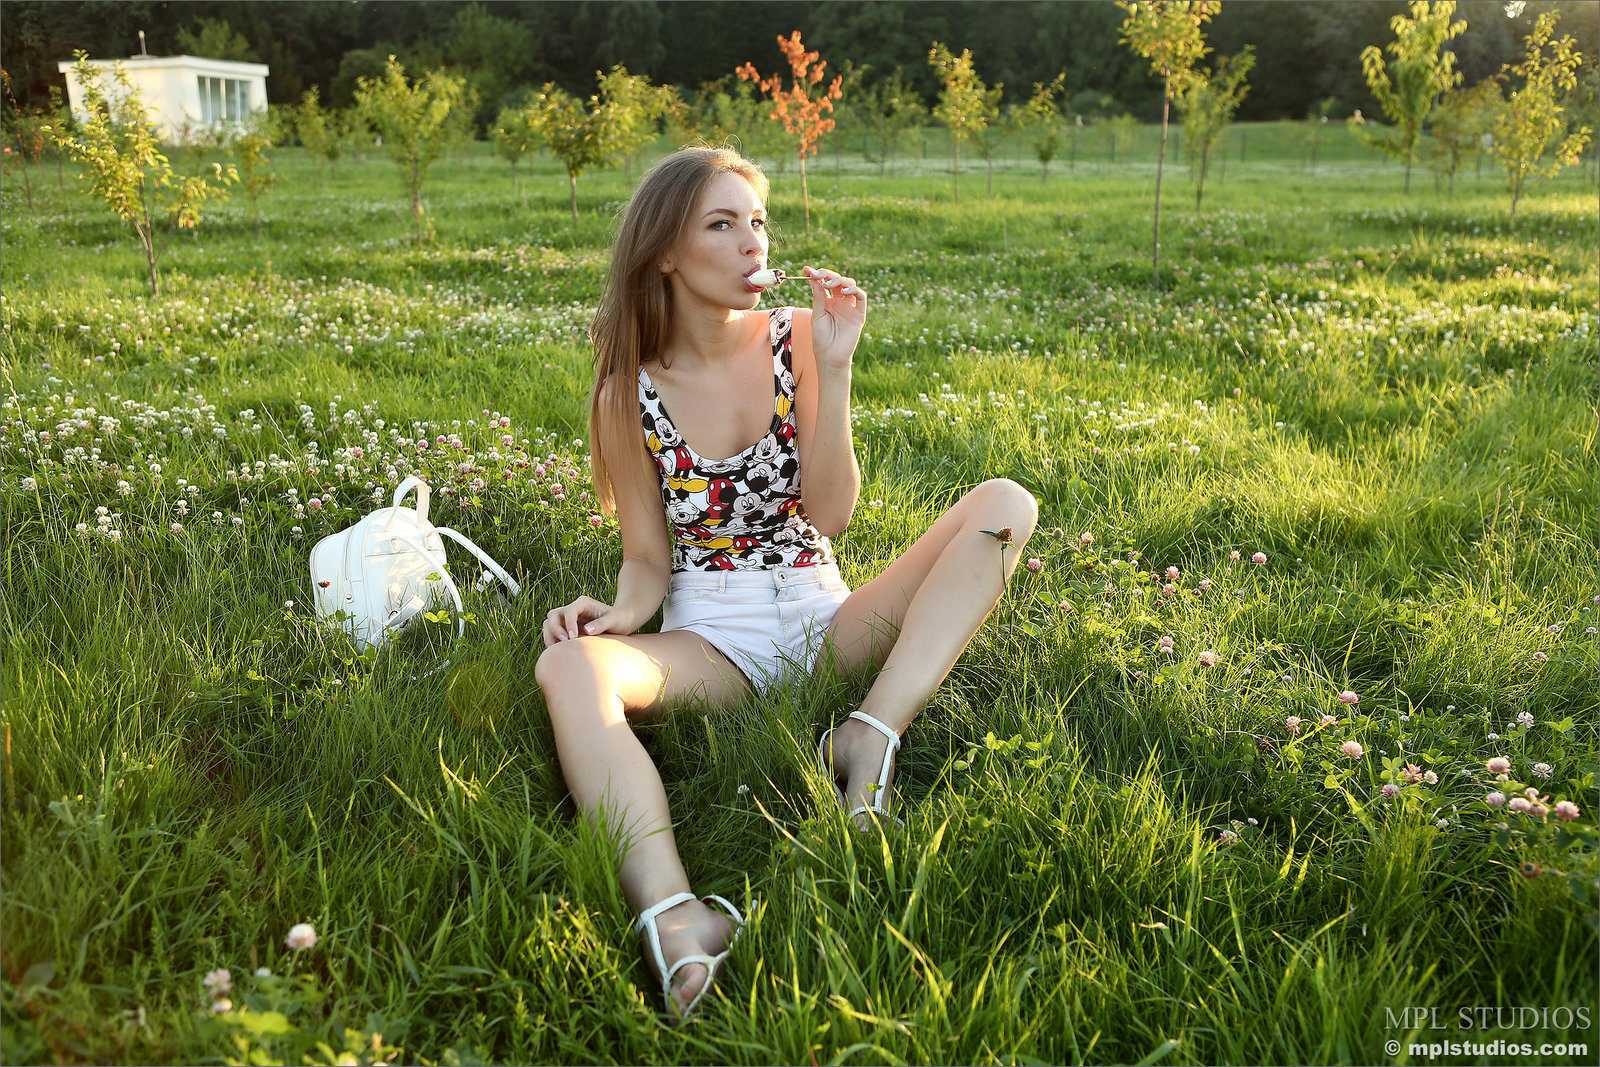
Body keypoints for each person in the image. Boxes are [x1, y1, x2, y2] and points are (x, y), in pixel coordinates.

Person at [534, 147, 1038, 1022]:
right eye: (721, 224)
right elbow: (648, 558)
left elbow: (832, 513)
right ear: (665, 252)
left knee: (1006, 505)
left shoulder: (800, 336)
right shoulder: (627, 393)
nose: (751, 242)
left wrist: (835, 368)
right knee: (567, 666)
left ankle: (869, 733)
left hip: (824, 614)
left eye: (757, 221)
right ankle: (674, 915)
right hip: (714, 642)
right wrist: (618, 613)